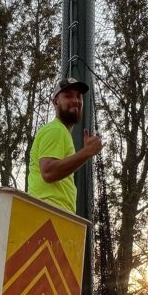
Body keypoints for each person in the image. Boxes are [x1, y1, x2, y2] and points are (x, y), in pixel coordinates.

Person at [27, 76, 102, 213]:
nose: (75, 101)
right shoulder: (56, 129)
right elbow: (48, 172)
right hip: (49, 212)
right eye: (68, 96)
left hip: (51, 213)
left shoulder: (60, 132)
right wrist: (87, 152)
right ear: (55, 101)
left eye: (79, 96)